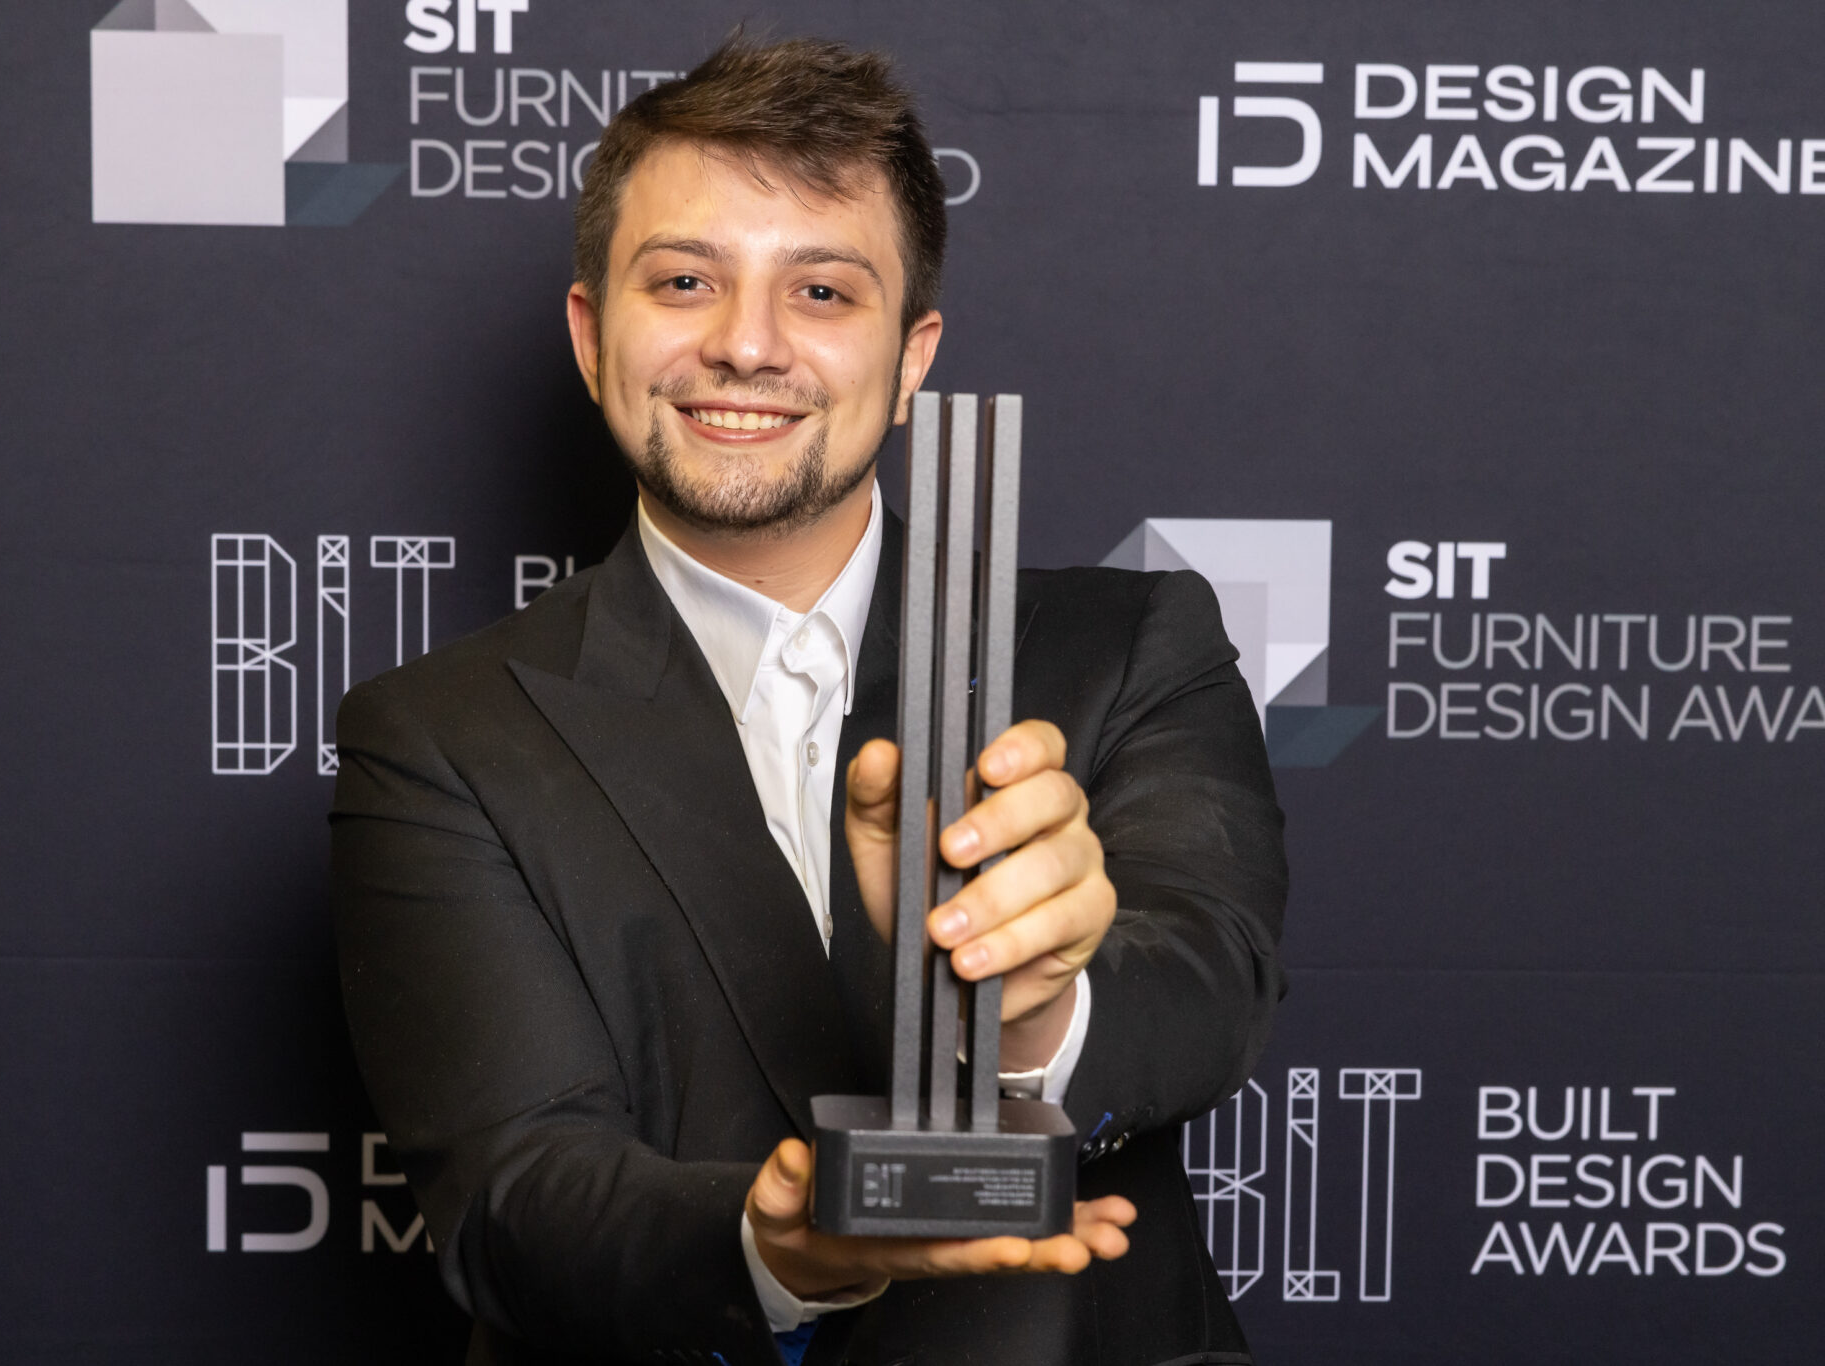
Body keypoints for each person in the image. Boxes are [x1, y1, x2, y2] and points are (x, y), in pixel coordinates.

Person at [331, 34, 1286, 1366]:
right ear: (593, 337)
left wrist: (1030, 1005)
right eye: (685, 281)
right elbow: (517, 1194)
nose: (746, 344)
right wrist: (776, 1249)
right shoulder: (441, 736)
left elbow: (1208, 992)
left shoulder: (1131, 645)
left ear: (911, 357)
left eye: (823, 291)